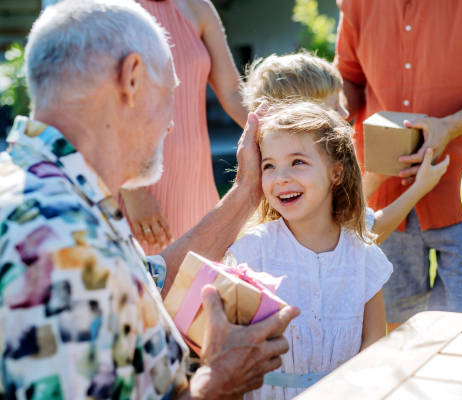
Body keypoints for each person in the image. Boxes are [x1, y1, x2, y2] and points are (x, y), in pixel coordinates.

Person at [0, 1, 299, 398]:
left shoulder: (54, 192)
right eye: (169, 92)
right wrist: (217, 384)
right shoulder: (58, 243)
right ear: (132, 78)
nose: (174, 121)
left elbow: (149, 277)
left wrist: (247, 191)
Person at [335, 0, 462, 330]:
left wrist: (451, 125)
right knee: (394, 338)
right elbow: (349, 80)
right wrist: (330, 111)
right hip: (381, 198)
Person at [221, 101, 389, 398]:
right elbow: (229, 346)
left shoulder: (363, 257)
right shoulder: (251, 254)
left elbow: (375, 340)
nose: (281, 177)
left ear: (336, 173)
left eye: (297, 162)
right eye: (269, 166)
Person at [242, 52, 449, 244]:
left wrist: (375, 178)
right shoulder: (304, 175)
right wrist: (420, 187)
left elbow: (346, 215)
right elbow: (364, 235)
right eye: (333, 108)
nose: (345, 113)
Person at [119, 0, 248, 255]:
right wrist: (131, 189)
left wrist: (285, 131)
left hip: (196, 178)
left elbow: (233, 92)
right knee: (144, 287)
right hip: (137, 180)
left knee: (199, 283)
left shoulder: (199, 7)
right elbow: (104, 102)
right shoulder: (111, 7)